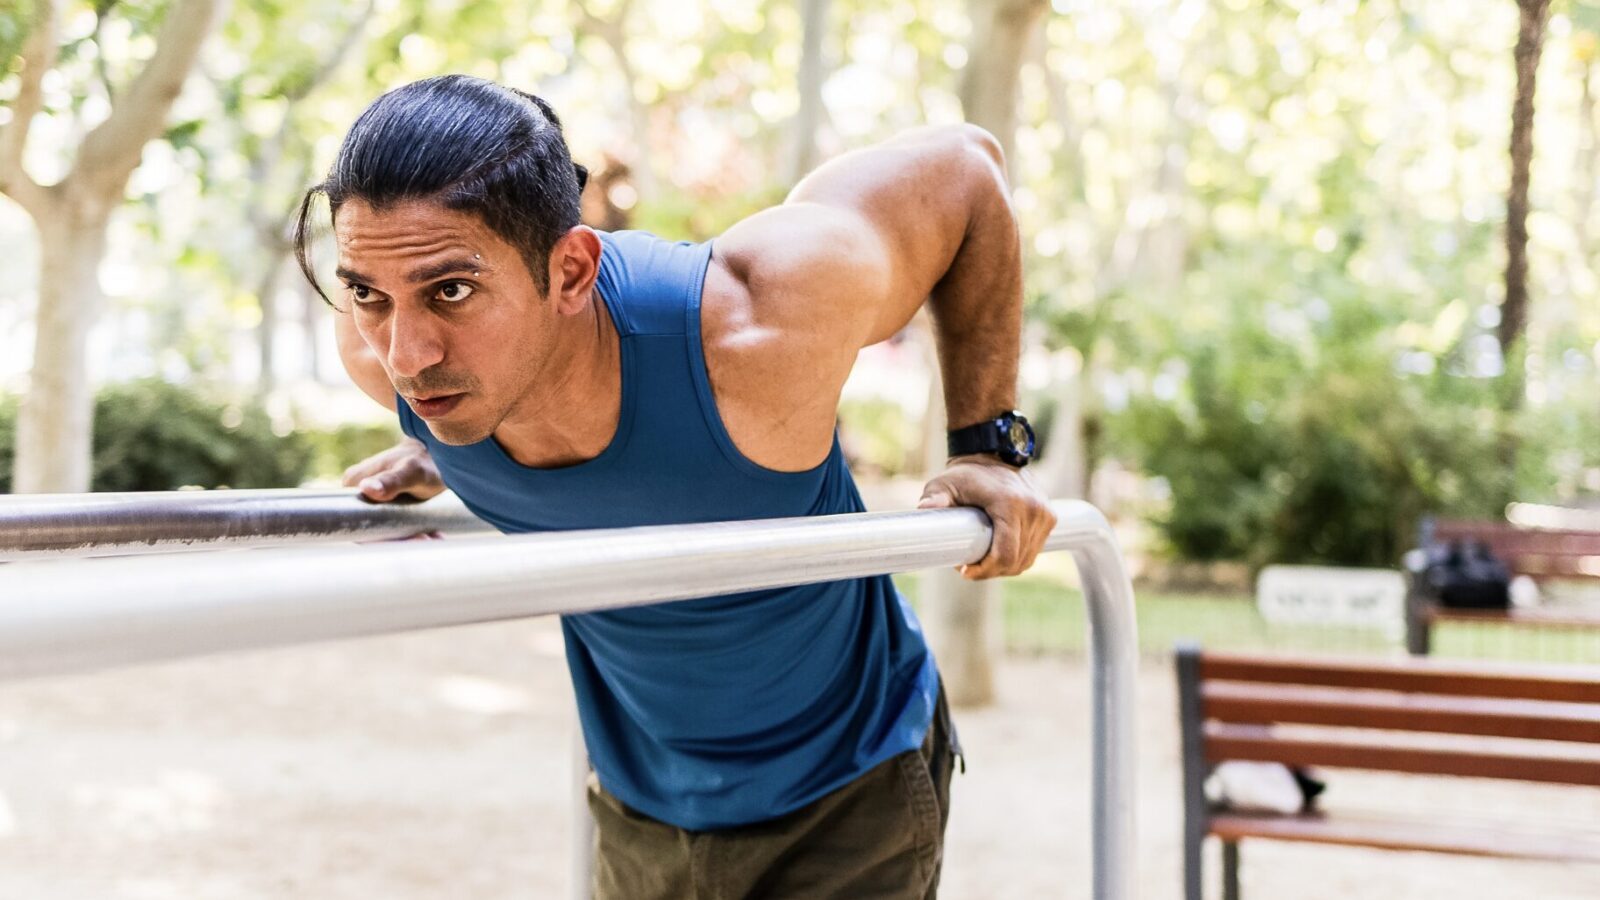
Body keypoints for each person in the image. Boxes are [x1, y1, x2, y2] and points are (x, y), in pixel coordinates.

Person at [295, 74, 1055, 899]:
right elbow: (442, 354)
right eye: (367, 294)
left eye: (452, 291)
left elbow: (966, 167)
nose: (405, 357)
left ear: (572, 273)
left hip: (850, 777)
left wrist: (986, 446)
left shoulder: (757, 327)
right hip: (639, 795)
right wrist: (455, 443)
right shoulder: (389, 353)